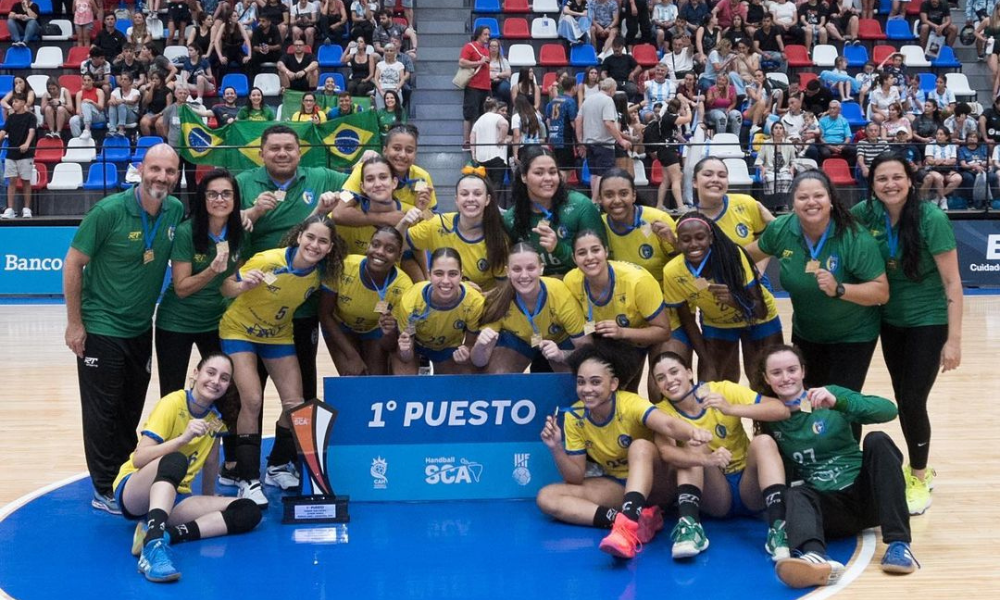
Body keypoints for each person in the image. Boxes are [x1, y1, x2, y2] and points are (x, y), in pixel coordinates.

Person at [63, 145, 184, 514]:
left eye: (169, 171)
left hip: (139, 328)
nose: (161, 177)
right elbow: (73, 265)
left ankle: (124, 476)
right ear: (140, 170)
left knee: (130, 407)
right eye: (155, 169)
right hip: (102, 326)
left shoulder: (175, 211)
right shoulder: (108, 211)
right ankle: (103, 488)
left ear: (177, 176)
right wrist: (75, 323)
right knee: (103, 411)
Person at [853, 152, 962, 515]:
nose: (890, 184)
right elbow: (827, 220)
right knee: (904, 397)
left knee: (913, 400)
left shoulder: (932, 219)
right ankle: (917, 466)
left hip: (928, 322)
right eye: (882, 179)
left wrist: (954, 340)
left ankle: (918, 474)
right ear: (872, 185)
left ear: (910, 180)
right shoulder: (867, 215)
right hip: (889, 322)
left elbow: (953, 283)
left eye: (896, 177)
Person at [757, 345, 919, 588]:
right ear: (766, 379)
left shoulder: (828, 394)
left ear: (803, 371)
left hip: (867, 495)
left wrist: (839, 402)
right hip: (830, 510)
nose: (786, 377)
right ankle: (814, 558)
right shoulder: (769, 416)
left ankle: (899, 545)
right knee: (795, 492)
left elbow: (889, 410)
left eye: (792, 369)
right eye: (777, 372)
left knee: (878, 440)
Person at [535, 344, 712, 560]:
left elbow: (668, 425)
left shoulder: (630, 404)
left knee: (639, 446)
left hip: (657, 485)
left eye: (595, 382)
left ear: (614, 384)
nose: (586, 389)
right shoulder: (574, 416)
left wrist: (694, 432)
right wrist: (556, 447)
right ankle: (628, 519)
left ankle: (627, 528)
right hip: (619, 486)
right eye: (581, 382)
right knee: (547, 497)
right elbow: (575, 477)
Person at [219, 215, 345, 507]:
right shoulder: (267, 260)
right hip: (239, 330)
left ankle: (276, 466)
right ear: (299, 236)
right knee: (251, 399)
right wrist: (241, 286)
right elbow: (226, 286)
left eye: (322, 241)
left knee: (295, 404)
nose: (315, 244)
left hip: (277, 335)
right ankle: (248, 479)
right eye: (310, 237)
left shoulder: (321, 274)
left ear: (329, 248)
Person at [746, 171, 888, 415]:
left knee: (841, 406)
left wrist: (840, 289)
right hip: (807, 335)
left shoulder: (854, 237)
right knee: (810, 405)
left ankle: (847, 453)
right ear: (793, 203)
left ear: (831, 200)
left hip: (852, 337)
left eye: (818, 195)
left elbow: (881, 292)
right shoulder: (782, 229)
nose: (811, 202)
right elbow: (744, 256)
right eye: (803, 197)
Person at [113, 353, 262, 583]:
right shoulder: (171, 403)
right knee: (176, 460)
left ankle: (162, 534)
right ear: (196, 373)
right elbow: (139, 458)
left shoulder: (215, 419)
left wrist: (208, 496)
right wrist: (182, 440)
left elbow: (211, 460)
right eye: (210, 372)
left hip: (177, 496)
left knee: (248, 510)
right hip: (136, 489)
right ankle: (153, 549)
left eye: (224, 378)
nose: (215, 381)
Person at [236, 125, 350, 410]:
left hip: (302, 305)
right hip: (254, 304)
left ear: (300, 153)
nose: (282, 153)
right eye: (274, 148)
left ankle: (294, 450)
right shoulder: (242, 183)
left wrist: (371, 156)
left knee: (303, 383)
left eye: (289, 148)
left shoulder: (321, 177)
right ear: (261, 154)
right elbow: (217, 217)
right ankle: (245, 453)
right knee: (252, 391)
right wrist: (250, 213)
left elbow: (362, 181)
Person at [650, 351, 790, 560]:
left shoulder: (721, 390)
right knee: (692, 447)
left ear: (689, 372)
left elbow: (781, 409)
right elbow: (666, 452)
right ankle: (690, 528)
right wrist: (706, 459)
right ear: (657, 386)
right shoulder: (660, 412)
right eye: (661, 378)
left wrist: (731, 408)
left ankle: (779, 529)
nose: (669, 381)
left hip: (748, 486)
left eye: (674, 372)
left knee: (764, 442)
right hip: (715, 495)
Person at [663, 211, 782, 384]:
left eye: (700, 237)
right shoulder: (672, 272)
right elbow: (687, 320)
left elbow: (760, 310)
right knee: (712, 383)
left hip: (758, 320)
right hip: (717, 323)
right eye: (686, 239)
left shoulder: (732, 256)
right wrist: (705, 358)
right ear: (678, 242)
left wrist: (733, 300)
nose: (694, 244)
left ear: (710, 238)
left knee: (764, 381)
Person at [155, 168, 243, 399]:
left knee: (225, 392)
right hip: (176, 323)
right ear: (202, 198)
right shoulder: (186, 232)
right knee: (172, 394)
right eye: (212, 194)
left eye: (226, 194)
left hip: (215, 322)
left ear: (236, 198)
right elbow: (182, 288)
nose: (219, 200)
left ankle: (215, 436)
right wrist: (212, 270)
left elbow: (234, 277)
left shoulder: (240, 232)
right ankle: (173, 436)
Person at [563, 230, 672, 391]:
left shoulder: (638, 281)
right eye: (581, 253)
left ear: (606, 251)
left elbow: (664, 331)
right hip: (608, 341)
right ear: (574, 258)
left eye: (595, 250)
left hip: (647, 333)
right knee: (611, 389)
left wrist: (622, 332)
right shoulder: (571, 281)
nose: (590, 257)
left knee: (657, 390)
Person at [472, 242, 592, 373]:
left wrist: (561, 355)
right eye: (517, 269)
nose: (524, 275)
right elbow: (479, 361)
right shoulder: (498, 301)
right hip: (522, 342)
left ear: (541, 268)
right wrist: (480, 345)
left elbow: (587, 349)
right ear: (508, 272)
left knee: (577, 374)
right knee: (498, 373)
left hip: (560, 342)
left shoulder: (559, 293)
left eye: (531, 268)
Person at [319, 226, 413, 376]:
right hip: (340, 325)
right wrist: (352, 356)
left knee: (376, 381)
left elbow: (389, 345)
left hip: (373, 329)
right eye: (375, 244)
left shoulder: (404, 287)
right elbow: (324, 315)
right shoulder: (343, 266)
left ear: (398, 256)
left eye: (389, 249)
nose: (380, 252)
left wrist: (389, 332)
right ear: (368, 246)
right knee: (353, 376)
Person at [503, 146, 605, 277]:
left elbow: (601, 263)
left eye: (552, 172)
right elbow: (509, 268)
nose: (548, 178)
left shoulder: (581, 206)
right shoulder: (511, 218)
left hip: (579, 286)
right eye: (539, 173)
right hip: (532, 289)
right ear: (524, 176)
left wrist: (558, 249)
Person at [398, 173, 508, 292]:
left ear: (487, 200)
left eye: (477, 194)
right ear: (456, 199)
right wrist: (404, 223)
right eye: (464, 194)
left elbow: (503, 290)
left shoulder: (498, 239)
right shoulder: (437, 224)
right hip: (441, 303)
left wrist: (479, 296)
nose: (471, 199)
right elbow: (396, 245)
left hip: (481, 307)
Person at [392, 248, 485, 375]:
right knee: (404, 383)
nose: (445, 281)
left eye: (452, 274)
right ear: (429, 275)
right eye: (439, 273)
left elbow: (469, 344)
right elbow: (405, 351)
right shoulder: (411, 302)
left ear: (461, 275)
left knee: (459, 384)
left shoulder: (475, 302)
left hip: (449, 348)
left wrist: (465, 354)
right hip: (417, 344)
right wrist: (406, 351)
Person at [597, 167, 676, 285]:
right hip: (620, 297)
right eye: (609, 195)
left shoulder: (659, 219)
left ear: (633, 195)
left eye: (624, 194)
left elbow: (684, 263)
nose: (617, 200)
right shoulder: (598, 225)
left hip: (662, 295)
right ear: (600, 198)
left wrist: (674, 242)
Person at [576, 78, 631, 201]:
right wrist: (621, 141)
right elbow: (609, 123)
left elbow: (578, 120)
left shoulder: (588, 100)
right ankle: (596, 201)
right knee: (603, 174)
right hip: (603, 144)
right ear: (612, 89)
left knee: (594, 174)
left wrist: (580, 142)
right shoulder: (607, 100)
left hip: (589, 143)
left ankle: (593, 200)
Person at [0, 94, 36, 220]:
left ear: (23, 102)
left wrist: (26, 143)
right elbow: (4, 131)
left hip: (26, 154)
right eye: (13, 102)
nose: (13, 104)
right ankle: (10, 209)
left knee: (26, 181)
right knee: (12, 181)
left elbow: (31, 131)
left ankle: (26, 208)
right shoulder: (10, 118)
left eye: (16, 101)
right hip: (11, 153)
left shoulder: (30, 117)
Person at [460, 25, 492, 151]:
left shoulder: (486, 50)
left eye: (488, 35)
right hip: (473, 85)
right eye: (485, 34)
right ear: (479, 34)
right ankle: (467, 141)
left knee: (482, 114)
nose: (487, 37)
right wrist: (479, 62)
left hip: (485, 86)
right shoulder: (469, 47)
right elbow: (462, 62)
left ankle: (478, 140)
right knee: (469, 115)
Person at [921, 126, 960, 210]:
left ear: (947, 137)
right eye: (937, 134)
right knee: (939, 178)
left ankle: (938, 197)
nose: (938, 136)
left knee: (958, 178)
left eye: (941, 134)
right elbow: (929, 160)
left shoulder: (951, 146)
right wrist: (942, 161)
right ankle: (943, 199)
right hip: (933, 169)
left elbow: (953, 160)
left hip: (948, 169)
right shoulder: (931, 144)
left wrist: (940, 161)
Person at [755, 122, 796, 202]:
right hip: (769, 170)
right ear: (772, 131)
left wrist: (792, 168)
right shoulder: (766, 143)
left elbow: (793, 160)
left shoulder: (789, 143)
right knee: (770, 179)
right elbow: (759, 160)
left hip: (784, 170)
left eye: (781, 128)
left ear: (783, 131)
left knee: (787, 178)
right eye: (776, 128)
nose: (778, 130)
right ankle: (772, 203)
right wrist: (762, 169)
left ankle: (783, 203)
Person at [806, 100, 856, 164]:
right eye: (830, 108)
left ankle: (848, 171)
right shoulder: (822, 121)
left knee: (854, 150)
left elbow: (848, 137)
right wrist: (830, 147)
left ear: (839, 110)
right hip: (826, 145)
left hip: (840, 144)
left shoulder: (844, 120)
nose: (832, 110)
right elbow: (820, 138)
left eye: (834, 108)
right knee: (825, 153)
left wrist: (842, 146)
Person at [214, 8, 252, 76]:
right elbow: (216, 41)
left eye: (237, 16)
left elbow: (247, 40)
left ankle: (246, 82)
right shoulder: (224, 26)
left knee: (247, 62)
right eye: (234, 16)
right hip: (227, 50)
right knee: (222, 63)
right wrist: (220, 56)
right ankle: (221, 84)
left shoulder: (239, 25)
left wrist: (249, 55)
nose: (237, 17)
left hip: (238, 50)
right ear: (229, 18)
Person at [69, 73, 106, 140]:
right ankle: (78, 140)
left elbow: (101, 108)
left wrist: (92, 102)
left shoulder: (99, 91)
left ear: (93, 81)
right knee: (73, 120)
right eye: (85, 80)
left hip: (98, 116)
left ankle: (87, 129)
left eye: (89, 80)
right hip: (84, 116)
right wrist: (84, 114)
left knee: (85, 103)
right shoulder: (79, 93)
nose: (86, 82)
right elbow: (78, 111)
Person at [373, 43, 408, 110]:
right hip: (381, 91)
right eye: (387, 50)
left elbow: (402, 79)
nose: (389, 52)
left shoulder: (399, 65)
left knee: (397, 112)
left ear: (395, 52)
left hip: (395, 90)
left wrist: (396, 90)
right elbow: (376, 79)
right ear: (384, 52)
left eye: (391, 51)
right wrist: (381, 91)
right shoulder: (379, 64)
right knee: (381, 112)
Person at [249, 14, 283, 80]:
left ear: (269, 22)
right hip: (261, 53)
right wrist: (260, 49)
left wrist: (269, 47)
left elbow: (279, 45)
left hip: (272, 53)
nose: (261, 23)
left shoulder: (274, 28)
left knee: (282, 55)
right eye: (260, 21)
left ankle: (280, 79)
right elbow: (254, 47)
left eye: (263, 21)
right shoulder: (256, 30)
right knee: (253, 56)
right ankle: (255, 79)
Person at [107, 71, 141, 137]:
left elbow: (133, 101)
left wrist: (123, 101)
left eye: (125, 79)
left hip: (131, 115)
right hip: (118, 115)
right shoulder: (115, 92)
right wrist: (112, 101)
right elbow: (110, 100)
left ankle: (121, 129)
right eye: (121, 79)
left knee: (121, 105)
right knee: (112, 105)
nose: (123, 81)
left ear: (130, 82)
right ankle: (112, 129)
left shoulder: (136, 92)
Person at [140, 72, 173, 136]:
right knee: (143, 123)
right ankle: (149, 141)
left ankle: (161, 141)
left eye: (156, 78)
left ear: (161, 80)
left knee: (159, 124)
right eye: (153, 79)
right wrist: (151, 88)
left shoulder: (167, 91)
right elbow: (147, 102)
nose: (154, 80)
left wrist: (159, 114)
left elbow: (168, 106)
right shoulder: (148, 90)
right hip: (151, 113)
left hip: (163, 113)